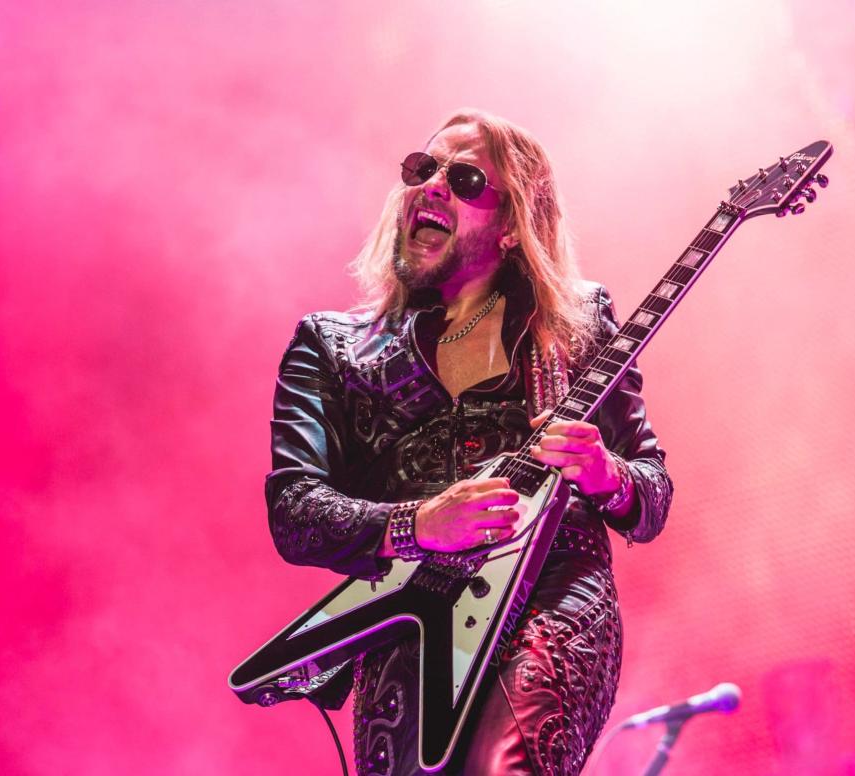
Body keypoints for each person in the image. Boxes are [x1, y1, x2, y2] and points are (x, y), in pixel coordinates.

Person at [267, 108, 673, 775]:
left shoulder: (575, 324)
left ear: (512, 226)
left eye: (462, 178)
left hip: (554, 596)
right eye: (422, 170)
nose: (431, 187)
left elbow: (652, 495)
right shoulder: (329, 347)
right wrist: (415, 523)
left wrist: (604, 472)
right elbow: (294, 512)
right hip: (407, 627)